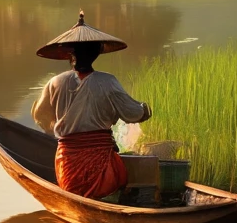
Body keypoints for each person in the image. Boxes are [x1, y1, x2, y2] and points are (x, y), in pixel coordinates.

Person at [32, 14, 151, 199]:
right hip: (103, 168)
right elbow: (134, 114)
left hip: (67, 166)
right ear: (96, 54)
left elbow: (39, 115)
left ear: (71, 55)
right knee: (118, 175)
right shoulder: (108, 81)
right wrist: (145, 110)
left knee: (72, 186)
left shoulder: (55, 82)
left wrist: (56, 131)